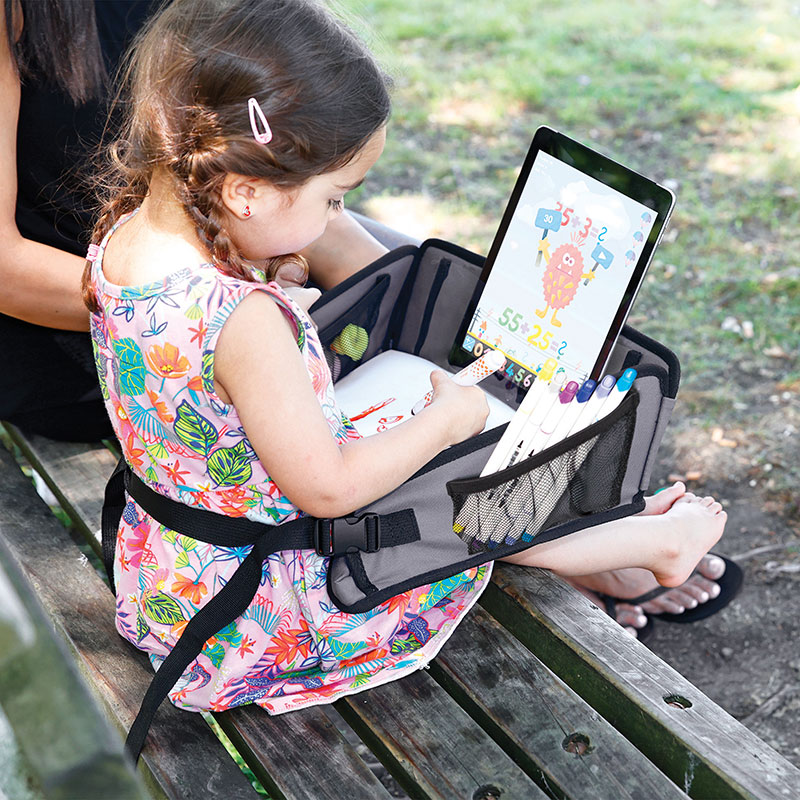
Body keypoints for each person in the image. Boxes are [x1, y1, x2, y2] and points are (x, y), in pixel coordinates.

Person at [86, 0, 729, 721]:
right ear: (244, 192)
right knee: (462, 490)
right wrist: (446, 420)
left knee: (442, 478)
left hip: (174, 581)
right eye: (334, 199)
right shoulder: (242, 322)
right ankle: (653, 543)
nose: (337, 221)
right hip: (264, 616)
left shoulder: (123, 244)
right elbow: (329, 492)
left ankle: (629, 538)